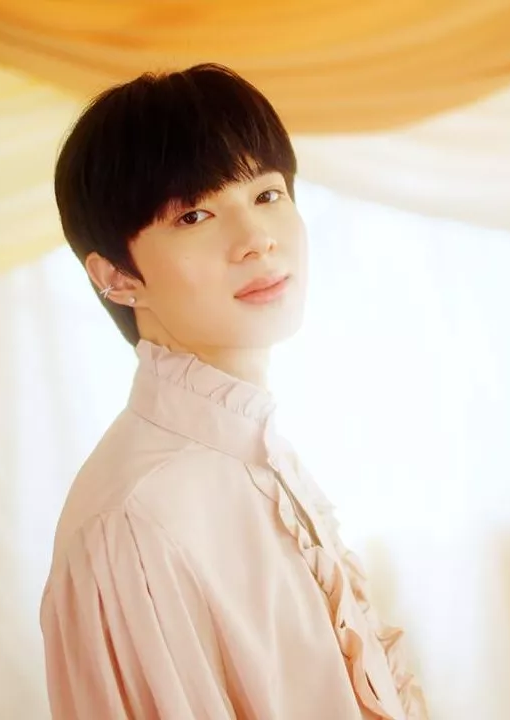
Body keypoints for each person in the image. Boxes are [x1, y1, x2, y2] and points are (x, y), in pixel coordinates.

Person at [40, 63, 428, 720]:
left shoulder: (254, 453)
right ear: (117, 277)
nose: (256, 240)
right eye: (194, 214)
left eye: (268, 194)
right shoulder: (135, 522)